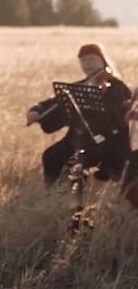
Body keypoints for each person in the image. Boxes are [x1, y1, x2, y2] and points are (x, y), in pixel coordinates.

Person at [27, 43, 132, 185]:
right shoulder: (79, 86)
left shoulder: (117, 86)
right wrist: (37, 110)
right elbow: (54, 102)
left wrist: (101, 100)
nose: (87, 63)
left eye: (92, 59)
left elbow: (119, 117)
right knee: (51, 155)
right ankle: (53, 192)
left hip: (108, 140)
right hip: (78, 139)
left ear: (103, 60)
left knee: (81, 160)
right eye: (83, 60)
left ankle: (78, 190)